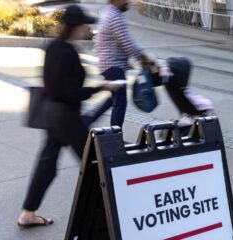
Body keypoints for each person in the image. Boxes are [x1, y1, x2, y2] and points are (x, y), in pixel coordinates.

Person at [17, 5, 121, 227]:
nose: (86, 28)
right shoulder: (69, 52)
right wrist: (102, 87)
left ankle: (27, 213)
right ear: (76, 26)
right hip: (67, 117)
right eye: (84, 24)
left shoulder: (52, 47)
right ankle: (112, 210)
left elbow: (52, 87)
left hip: (51, 116)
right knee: (94, 161)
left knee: (47, 165)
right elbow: (71, 93)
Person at [92, 0, 153, 129]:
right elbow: (127, 42)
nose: (128, 2)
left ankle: (88, 119)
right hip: (112, 65)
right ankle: (115, 136)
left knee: (114, 99)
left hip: (108, 64)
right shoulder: (114, 17)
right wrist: (143, 58)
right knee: (120, 102)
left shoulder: (109, 13)